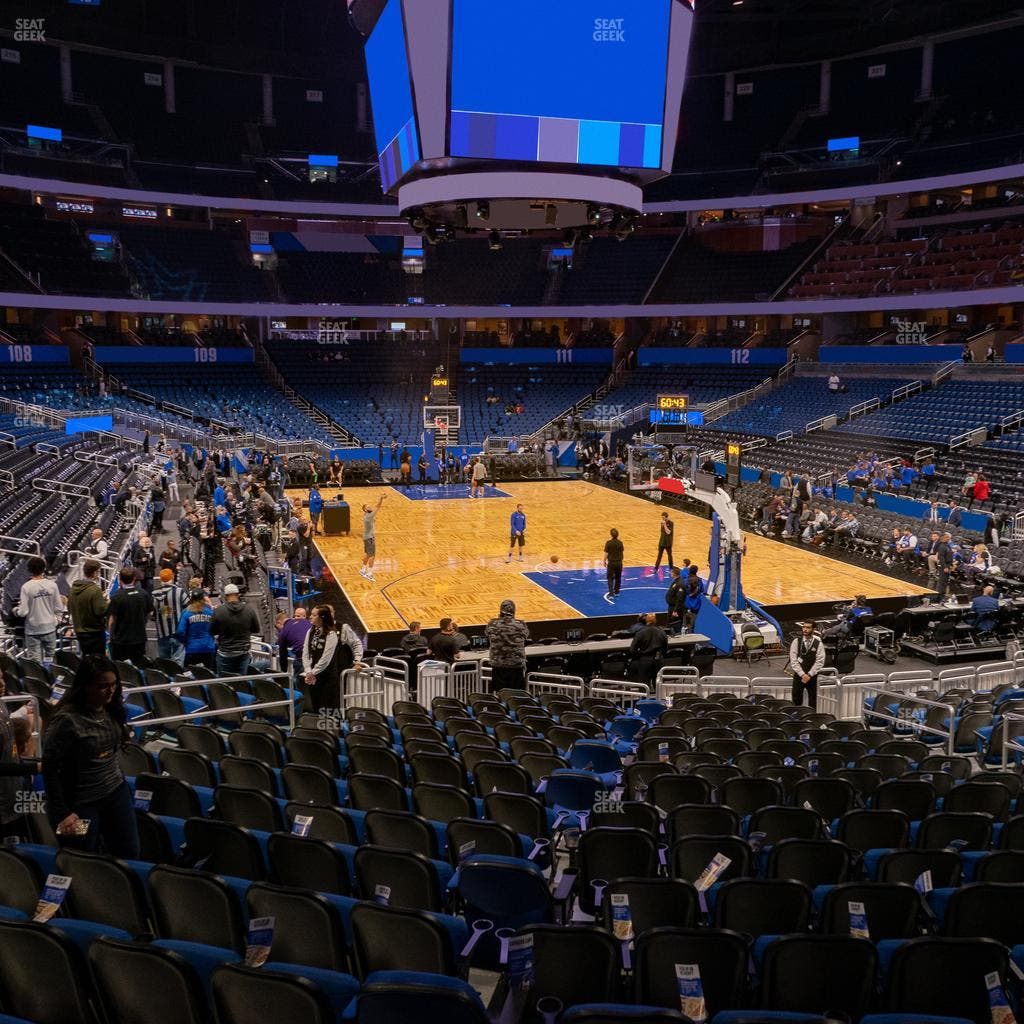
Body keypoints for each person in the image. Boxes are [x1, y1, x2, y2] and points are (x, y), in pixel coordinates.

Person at [41, 656, 140, 858]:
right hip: (78, 804)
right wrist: (63, 813)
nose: (111, 691)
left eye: (114, 685)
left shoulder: (111, 707)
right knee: (81, 857)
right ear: (86, 686)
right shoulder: (66, 720)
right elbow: (49, 769)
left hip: (115, 793)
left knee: (129, 852)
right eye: (103, 686)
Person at [302, 605, 363, 713]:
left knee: (334, 703)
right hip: (315, 674)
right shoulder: (311, 631)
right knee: (317, 704)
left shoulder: (339, 629)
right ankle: (320, 727)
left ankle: (334, 727)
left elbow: (356, 644)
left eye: (314, 614)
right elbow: (306, 652)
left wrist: (357, 661)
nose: (310, 617)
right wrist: (308, 671)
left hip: (335, 672)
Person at [15, 555, 65, 665]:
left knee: (35, 661)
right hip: (49, 627)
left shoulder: (26, 587)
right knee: (50, 658)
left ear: (29, 570)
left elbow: (23, 612)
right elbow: (59, 608)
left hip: (33, 630)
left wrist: (16, 611)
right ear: (44, 568)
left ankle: (39, 680)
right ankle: (51, 678)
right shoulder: (52, 585)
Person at [210, 583, 261, 676]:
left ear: (225, 596)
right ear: (238, 595)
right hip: (243, 652)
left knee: (225, 683)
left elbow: (211, 631)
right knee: (242, 683)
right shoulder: (249, 610)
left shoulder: (218, 611)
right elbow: (256, 629)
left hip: (225, 652)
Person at [107, 566, 153, 664]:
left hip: (121, 640)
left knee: (122, 668)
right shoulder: (143, 594)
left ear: (120, 579)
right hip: (139, 638)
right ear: (134, 578)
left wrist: (111, 637)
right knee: (139, 666)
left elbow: (112, 620)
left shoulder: (116, 597)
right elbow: (149, 613)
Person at [484, 600, 530, 690]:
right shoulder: (520, 624)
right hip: (516, 664)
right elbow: (525, 636)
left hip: (498, 664)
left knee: (500, 693)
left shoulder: (492, 624)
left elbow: (487, 634)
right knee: (516, 694)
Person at [68, 559, 109, 657]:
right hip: (93, 631)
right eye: (98, 571)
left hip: (79, 630)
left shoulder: (73, 588)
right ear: (95, 573)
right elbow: (101, 611)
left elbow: (70, 607)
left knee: (86, 657)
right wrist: (107, 603)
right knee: (98, 660)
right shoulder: (94, 590)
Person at [152, 568, 186, 664]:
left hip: (162, 632)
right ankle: (178, 678)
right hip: (178, 631)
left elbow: (154, 614)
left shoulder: (154, 594)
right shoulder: (179, 592)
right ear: (172, 577)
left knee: (164, 661)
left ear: (160, 579)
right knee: (178, 659)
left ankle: (167, 678)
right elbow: (188, 608)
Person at [176, 590, 217, 669]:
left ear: (191, 599)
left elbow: (180, 631)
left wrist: (185, 641)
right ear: (203, 599)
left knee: (191, 675)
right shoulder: (210, 612)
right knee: (208, 676)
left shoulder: (186, 612)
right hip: (208, 648)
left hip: (192, 648)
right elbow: (216, 629)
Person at [789, 621, 825, 708]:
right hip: (799, 676)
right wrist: (802, 674)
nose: (805, 629)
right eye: (804, 627)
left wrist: (809, 674)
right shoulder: (796, 642)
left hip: (812, 677)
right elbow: (793, 660)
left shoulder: (818, 643)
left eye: (808, 627)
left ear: (813, 629)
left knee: (813, 701)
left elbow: (820, 661)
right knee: (796, 700)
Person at [277, 606, 313, 688]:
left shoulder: (284, 630)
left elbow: (282, 652)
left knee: (298, 683)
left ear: (280, 623)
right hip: (313, 657)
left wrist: (284, 671)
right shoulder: (309, 623)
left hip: (301, 657)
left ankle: (298, 697)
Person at [629, 613, 668, 684]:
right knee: (659, 685)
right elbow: (665, 647)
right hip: (658, 660)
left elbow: (632, 650)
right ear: (655, 620)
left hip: (645, 660)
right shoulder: (661, 632)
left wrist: (639, 655)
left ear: (646, 621)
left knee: (644, 685)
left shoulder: (640, 633)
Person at [359, 494, 385, 581]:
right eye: (368, 506)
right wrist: (381, 498)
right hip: (370, 538)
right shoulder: (369, 516)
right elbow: (378, 507)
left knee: (367, 554)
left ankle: (363, 569)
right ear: (365, 510)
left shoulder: (366, 515)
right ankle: (369, 573)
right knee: (372, 555)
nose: (370, 507)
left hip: (366, 538)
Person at [604, 528, 624, 600]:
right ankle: (617, 592)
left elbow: (606, 553)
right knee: (618, 577)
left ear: (611, 535)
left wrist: (604, 561)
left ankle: (611, 594)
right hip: (619, 562)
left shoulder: (608, 543)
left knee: (610, 578)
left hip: (611, 563)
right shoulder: (620, 543)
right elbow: (621, 551)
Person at [935, 532, 954, 598]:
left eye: (949, 537)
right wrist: (945, 567)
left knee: (945, 581)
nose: (949, 538)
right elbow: (941, 557)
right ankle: (938, 595)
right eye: (947, 537)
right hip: (943, 566)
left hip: (948, 565)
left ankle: (943, 594)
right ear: (944, 538)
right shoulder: (942, 546)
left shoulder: (947, 545)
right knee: (941, 581)